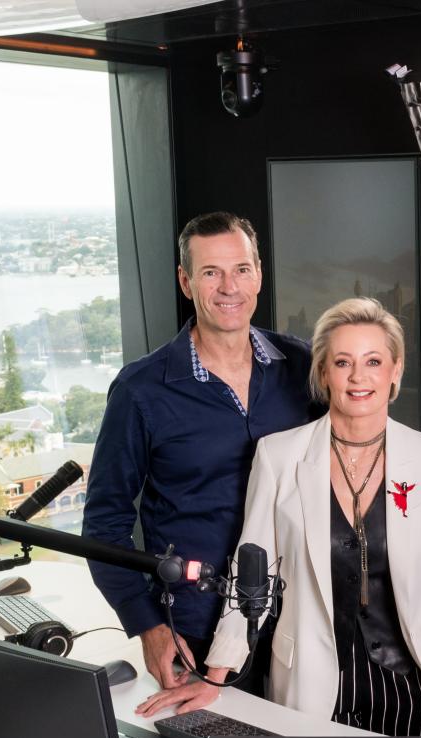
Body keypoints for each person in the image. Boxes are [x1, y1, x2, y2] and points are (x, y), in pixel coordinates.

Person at [137, 297, 421, 734]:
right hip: (310, 683)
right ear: (323, 372)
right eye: (342, 362)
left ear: (395, 370)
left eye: (373, 361)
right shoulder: (279, 455)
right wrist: (216, 674)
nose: (358, 376)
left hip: (411, 684)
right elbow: (252, 572)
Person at [82, 211, 319, 692]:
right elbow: (104, 524)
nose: (229, 287)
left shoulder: (303, 366)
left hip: (301, 619)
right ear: (186, 281)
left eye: (241, 270)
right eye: (211, 272)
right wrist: (147, 624)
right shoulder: (141, 391)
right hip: (194, 627)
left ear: (258, 275)